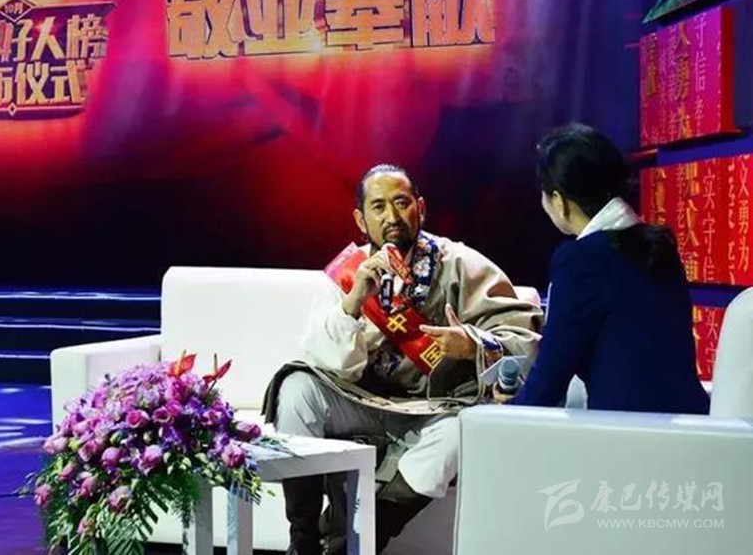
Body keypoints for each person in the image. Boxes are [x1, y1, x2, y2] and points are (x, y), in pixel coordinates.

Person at [262, 164, 543, 555]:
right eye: (378, 207)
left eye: (401, 203)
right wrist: (354, 301)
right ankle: (304, 537)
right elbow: (323, 361)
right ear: (361, 219)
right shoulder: (347, 274)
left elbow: (526, 338)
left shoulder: (461, 264)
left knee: (460, 434)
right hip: (360, 401)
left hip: (433, 408)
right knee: (296, 388)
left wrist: (471, 344)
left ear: (420, 208)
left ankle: (361, 536)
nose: (391, 216)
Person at [506, 123, 709, 412]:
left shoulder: (581, 261)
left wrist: (505, 411)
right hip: (693, 423)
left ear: (560, 202)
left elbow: (549, 381)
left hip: (624, 431)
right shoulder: (660, 245)